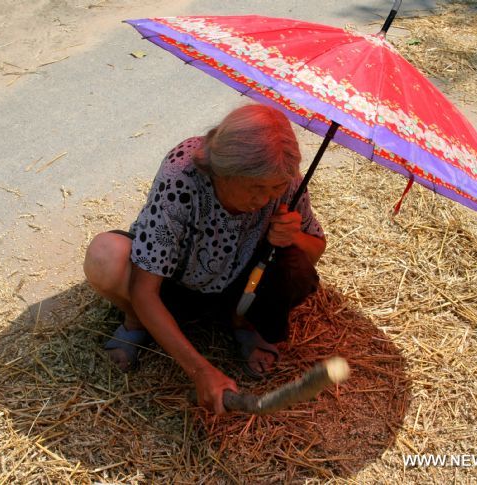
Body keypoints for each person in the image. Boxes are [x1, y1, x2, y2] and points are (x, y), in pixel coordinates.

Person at [83, 104, 326, 415]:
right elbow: (145, 289)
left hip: (242, 287)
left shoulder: (284, 178)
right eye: (255, 189)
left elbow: (316, 249)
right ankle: (136, 321)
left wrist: (293, 236)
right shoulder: (182, 174)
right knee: (106, 255)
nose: (265, 199)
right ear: (222, 171)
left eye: (274, 189)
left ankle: (244, 324)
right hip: (176, 283)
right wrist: (201, 371)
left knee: (295, 267)